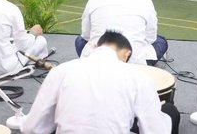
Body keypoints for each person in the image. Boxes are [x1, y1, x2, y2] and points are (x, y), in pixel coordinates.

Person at [22, 31, 179, 134]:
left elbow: (32, 127)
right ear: (127, 54)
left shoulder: (61, 71)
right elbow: (156, 131)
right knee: (170, 112)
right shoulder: (138, 77)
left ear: (95, 47)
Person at [76, 0, 168, 64]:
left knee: (79, 40)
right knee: (161, 41)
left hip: (98, 60)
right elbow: (150, 38)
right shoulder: (145, 0)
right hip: (135, 63)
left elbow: (86, 35)